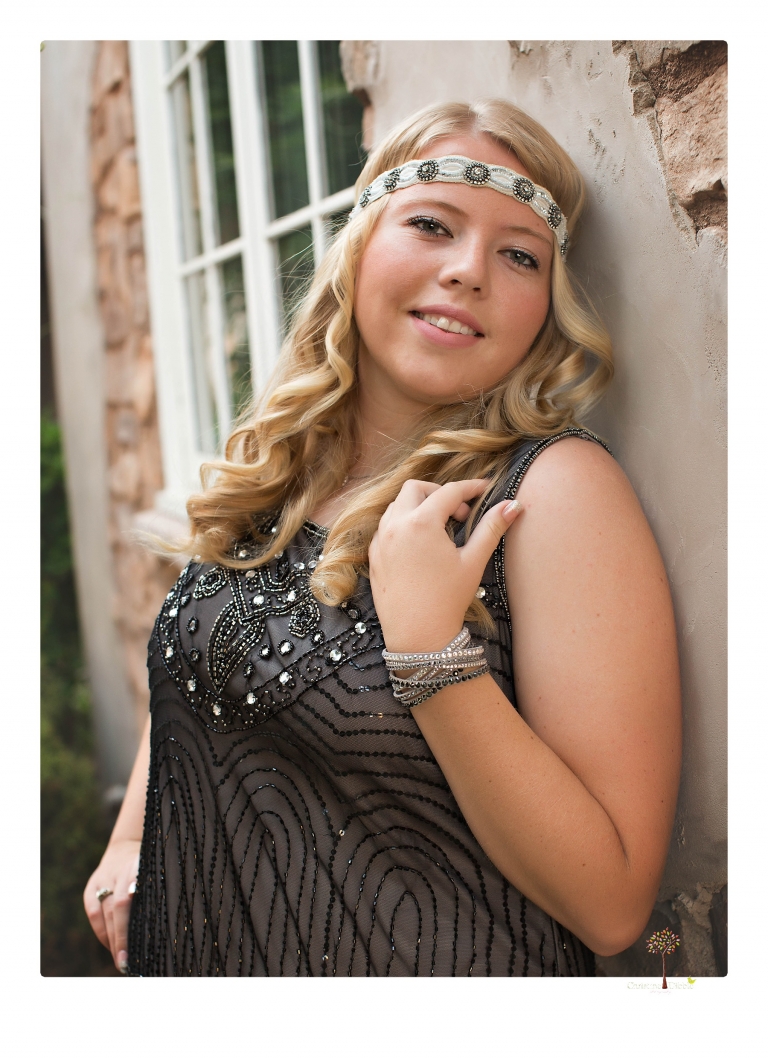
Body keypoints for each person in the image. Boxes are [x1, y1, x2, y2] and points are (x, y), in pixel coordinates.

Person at [84, 99, 681, 976]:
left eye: (519, 254)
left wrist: (432, 651)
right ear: (359, 244)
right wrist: (132, 838)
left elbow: (613, 904)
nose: (468, 271)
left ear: (544, 309)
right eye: (432, 225)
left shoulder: (551, 494)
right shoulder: (281, 470)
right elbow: (210, 661)